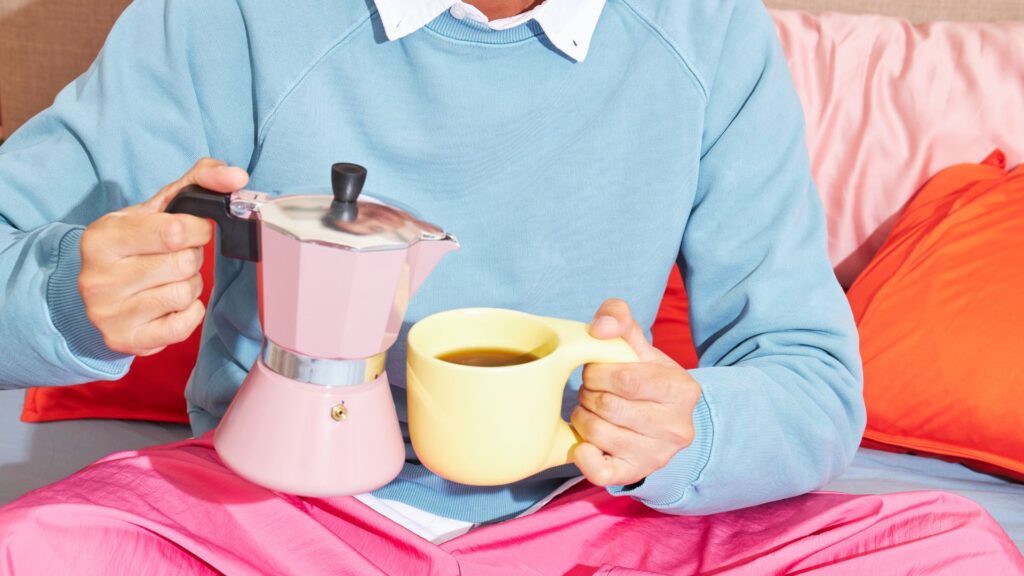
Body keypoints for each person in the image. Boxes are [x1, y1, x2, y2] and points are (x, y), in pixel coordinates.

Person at [0, 0, 1020, 573]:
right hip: (272, 514)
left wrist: (690, 429)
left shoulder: (708, 35)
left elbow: (810, 382)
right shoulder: (227, 17)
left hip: (598, 523)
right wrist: (66, 293)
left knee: (955, 554)